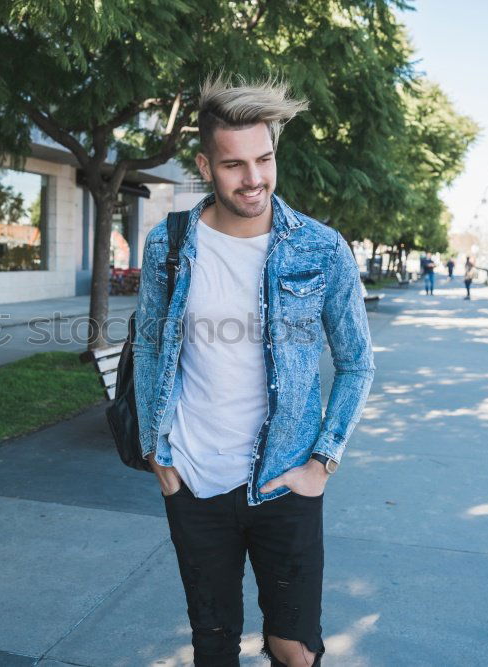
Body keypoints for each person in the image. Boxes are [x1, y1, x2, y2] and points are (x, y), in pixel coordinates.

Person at [132, 75, 375, 667]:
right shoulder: (169, 244)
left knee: (294, 648)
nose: (254, 178)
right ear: (205, 164)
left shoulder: (320, 248)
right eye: (235, 164)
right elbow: (147, 346)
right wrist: (156, 453)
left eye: (264, 159)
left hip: (284, 481)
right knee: (213, 645)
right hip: (194, 478)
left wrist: (322, 462)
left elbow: (356, 362)